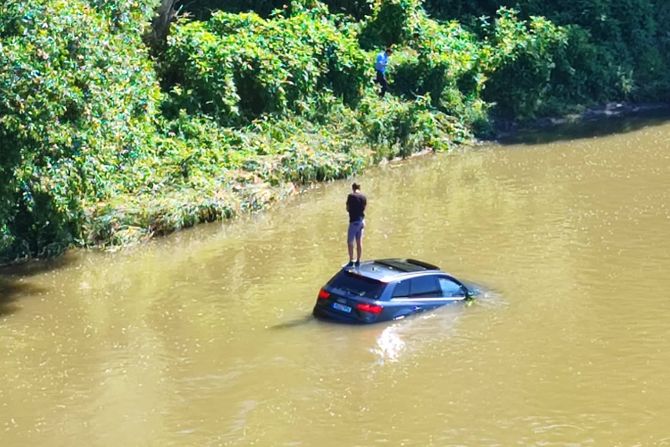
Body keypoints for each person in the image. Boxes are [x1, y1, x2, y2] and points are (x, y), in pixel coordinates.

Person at [346, 182, 367, 267]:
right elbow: (364, 208)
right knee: (359, 242)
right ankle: (358, 260)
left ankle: (351, 260)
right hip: (361, 221)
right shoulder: (364, 197)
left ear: (353, 188)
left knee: (350, 241)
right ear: (359, 188)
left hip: (354, 221)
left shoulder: (351, 196)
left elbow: (347, 208)